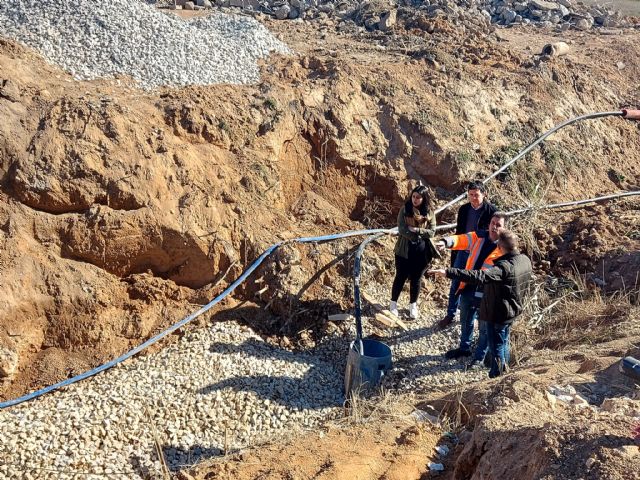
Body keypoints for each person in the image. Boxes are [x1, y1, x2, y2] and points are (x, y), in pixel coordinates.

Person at [429, 231, 532, 377]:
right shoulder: (524, 260)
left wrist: (448, 272)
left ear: (501, 247)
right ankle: (506, 372)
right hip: (512, 310)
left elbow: (480, 276)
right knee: (503, 341)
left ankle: (497, 377)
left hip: (498, 313)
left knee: (496, 345)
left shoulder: (504, 267)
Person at [434, 212, 509, 362]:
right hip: (469, 286)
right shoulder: (479, 236)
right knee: (466, 319)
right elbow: (462, 239)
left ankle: (479, 358)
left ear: (505, 228)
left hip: (488, 293)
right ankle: (464, 348)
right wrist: (445, 241)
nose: (494, 227)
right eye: (492, 223)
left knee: (484, 328)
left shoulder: (505, 248)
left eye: (498, 225)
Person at [438, 181, 496, 330]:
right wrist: (454, 249)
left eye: (476, 195)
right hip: (463, 253)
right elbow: (459, 232)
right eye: (470, 195)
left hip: (479, 255)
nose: (473, 198)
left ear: (484, 194)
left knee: (475, 286)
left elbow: (493, 237)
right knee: (455, 282)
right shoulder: (463, 210)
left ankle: (472, 316)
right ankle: (450, 314)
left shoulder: (491, 212)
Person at [389, 184, 437, 319]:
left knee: (416, 279)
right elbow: (402, 229)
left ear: (424, 199)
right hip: (404, 250)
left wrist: (417, 230)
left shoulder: (429, 212)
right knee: (400, 277)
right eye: (413, 197)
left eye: (418, 198)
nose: (415, 200)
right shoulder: (405, 209)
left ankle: (413, 305)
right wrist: (416, 235)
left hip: (422, 253)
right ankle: (393, 304)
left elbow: (432, 231)